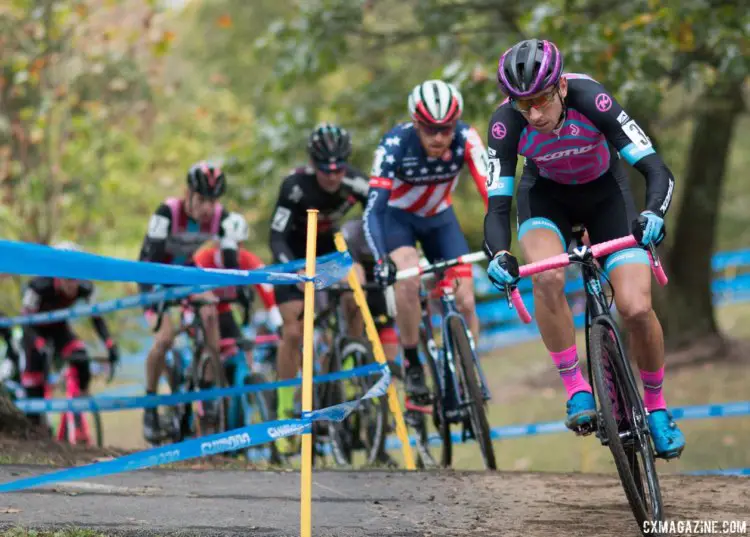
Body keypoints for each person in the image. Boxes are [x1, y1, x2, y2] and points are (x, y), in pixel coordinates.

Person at [483, 39, 684, 459]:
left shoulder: (594, 100)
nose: (533, 114)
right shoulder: (506, 123)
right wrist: (499, 254)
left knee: (635, 308)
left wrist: (652, 214)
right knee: (547, 274)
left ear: (559, 87)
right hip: (545, 200)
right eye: (523, 105)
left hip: (606, 196)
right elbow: (497, 206)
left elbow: (655, 169)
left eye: (540, 100)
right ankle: (576, 387)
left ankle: (657, 407)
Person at [364, 80, 489, 404]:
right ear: (416, 124)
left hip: (440, 220)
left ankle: (468, 372)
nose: (438, 137)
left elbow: (493, 193)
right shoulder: (394, 144)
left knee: (465, 300)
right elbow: (373, 210)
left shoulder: (466, 138)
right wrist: (381, 260)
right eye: (430, 129)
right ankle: (413, 361)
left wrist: (499, 237)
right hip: (398, 220)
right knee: (407, 278)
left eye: (446, 129)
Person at [269, 122, 370, 456]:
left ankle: (351, 353)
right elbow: (276, 236)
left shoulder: (356, 182)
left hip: (328, 253)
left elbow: (378, 218)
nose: (332, 177)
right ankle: (284, 407)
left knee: (358, 286)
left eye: (338, 169)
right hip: (292, 257)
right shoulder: (294, 187)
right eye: (325, 171)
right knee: (295, 330)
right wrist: (292, 269)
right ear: (313, 165)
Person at [137, 161, 249, 444]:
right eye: (201, 200)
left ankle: (209, 383)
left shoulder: (221, 217)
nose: (207, 208)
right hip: (154, 274)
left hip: (186, 272)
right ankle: (150, 405)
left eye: (213, 201)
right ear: (188, 194)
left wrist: (241, 291)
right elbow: (150, 257)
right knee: (163, 339)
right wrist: (155, 302)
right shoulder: (167, 212)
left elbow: (231, 259)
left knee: (210, 309)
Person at [19, 242, 119, 427]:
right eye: (67, 278)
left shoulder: (85, 287)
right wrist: (39, 344)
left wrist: (110, 344)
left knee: (81, 357)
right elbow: (25, 323)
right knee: (34, 387)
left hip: (59, 329)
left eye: (76, 277)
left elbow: (96, 318)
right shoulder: (38, 286)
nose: (73, 284)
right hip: (34, 332)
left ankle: (79, 402)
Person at [192, 240, 283, 381]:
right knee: (211, 350)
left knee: (244, 346)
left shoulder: (246, 258)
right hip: (200, 311)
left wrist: (277, 321)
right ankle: (208, 392)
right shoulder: (203, 258)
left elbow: (266, 288)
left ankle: (249, 378)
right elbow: (192, 291)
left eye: (240, 245)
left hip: (225, 310)